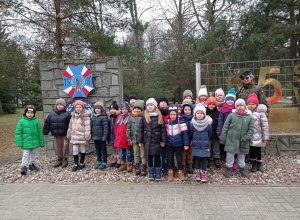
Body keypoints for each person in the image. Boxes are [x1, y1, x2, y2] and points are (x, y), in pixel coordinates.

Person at [220, 99, 254, 178]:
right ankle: (229, 168)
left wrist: (246, 138)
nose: (239, 107)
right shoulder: (231, 115)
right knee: (230, 155)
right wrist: (223, 138)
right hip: (231, 139)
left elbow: (251, 129)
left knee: (241, 156)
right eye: (237, 106)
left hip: (243, 140)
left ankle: (242, 169)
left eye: (241, 105)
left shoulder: (249, 117)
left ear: (245, 106)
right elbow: (225, 127)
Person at [137, 98, 167, 181]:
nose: (149, 107)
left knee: (157, 156)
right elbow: (140, 129)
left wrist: (163, 140)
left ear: (155, 106)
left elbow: (163, 129)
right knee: (149, 156)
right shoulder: (144, 116)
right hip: (147, 140)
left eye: (151, 105)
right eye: (148, 105)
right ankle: (150, 172)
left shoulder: (159, 116)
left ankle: (158, 172)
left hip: (157, 140)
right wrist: (140, 141)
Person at [15, 105, 45, 175]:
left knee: (34, 154)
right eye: (28, 112)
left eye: (32, 113)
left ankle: (32, 164)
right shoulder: (21, 122)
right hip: (26, 143)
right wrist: (19, 143)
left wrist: (41, 142)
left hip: (35, 142)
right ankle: (23, 166)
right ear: (25, 113)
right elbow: (18, 133)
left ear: (34, 113)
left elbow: (40, 132)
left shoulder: (36, 122)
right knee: (26, 154)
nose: (30, 114)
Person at [43, 98, 71, 168]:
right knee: (57, 147)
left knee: (65, 146)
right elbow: (47, 124)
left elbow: (71, 124)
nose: (59, 106)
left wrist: (71, 133)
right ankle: (59, 158)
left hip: (65, 134)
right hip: (56, 134)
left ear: (64, 106)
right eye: (58, 104)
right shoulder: (51, 114)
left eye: (61, 104)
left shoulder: (67, 114)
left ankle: (65, 159)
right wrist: (45, 132)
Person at [165, 104, 190, 180]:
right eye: (171, 114)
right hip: (169, 144)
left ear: (177, 114)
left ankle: (180, 171)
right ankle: (170, 171)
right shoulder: (167, 122)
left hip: (179, 144)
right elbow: (164, 133)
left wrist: (186, 144)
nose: (172, 116)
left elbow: (185, 134)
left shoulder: (181, 122)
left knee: (179, 159)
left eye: (174, 114)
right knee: (169, 158)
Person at [67, 100, 91, 172]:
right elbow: (70, 126)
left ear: (82, 108)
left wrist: (87, 135)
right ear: (75, 108)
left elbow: (87, 127)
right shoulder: (73, 116)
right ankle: (76, 163)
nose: (78, 108)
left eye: (80, 107)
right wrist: (68, 133)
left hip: (82, 136)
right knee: (75, 149)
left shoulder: (86, 116)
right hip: (74, 135)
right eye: (77, 107)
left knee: (82, 149)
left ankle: (82, 162)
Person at [247, 94, 269, 172]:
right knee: (251, 151)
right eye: (249, 104)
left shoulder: (261, 114)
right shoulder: (246, 113)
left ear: (256, 105)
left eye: (253, 104)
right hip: (250, 136)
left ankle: (259, 164)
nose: (251, 106)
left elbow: (265, 126)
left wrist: (265, 137)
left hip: (258, 136)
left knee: (258, 151)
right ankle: (253, 164)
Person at [190, 106, 212, 182]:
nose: (199, 115)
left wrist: (205, 141)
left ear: (204, 114)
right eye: (198, 113)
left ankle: (203, 173)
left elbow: (210, 135)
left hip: (204, 145)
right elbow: (191, 134)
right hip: (196, 145)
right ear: (195, 114)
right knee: (197, 160)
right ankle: (198, 172)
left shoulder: (208, 125)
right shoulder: (192, 124)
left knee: (204, 160)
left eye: (201, 113)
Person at [126, 100, 147, 176]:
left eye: (139, 109)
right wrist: (129, 139)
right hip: (134, 139)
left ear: (141, 110)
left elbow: (145, 129)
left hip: (142, 140)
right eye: (135, 108)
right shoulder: (131, 118)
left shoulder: (143, 117)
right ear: (133, 109)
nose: (137, 110)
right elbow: (128, 129)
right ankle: (137, 167)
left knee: (143, 154)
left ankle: (144, 167)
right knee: (136, 154)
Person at [217, 89, 236, 162]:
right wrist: (219, 132)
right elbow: (220, 121)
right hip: (224, 130)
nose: (230, 101)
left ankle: (233, 158)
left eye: (231, 100)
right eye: (228, 100)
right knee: (224, 143)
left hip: (233, 130)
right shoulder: (222, 110)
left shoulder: (235, 109)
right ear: (226, 100)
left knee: (232, 144)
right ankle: (223, 155)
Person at [114, 101, 133, 172]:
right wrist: (116, 135)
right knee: (122, 153)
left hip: (127, 139)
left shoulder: (130, 117)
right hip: (120, 138)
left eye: (125, 109)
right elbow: (116, 127)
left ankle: (129, 164)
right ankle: (123, 163)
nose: (124, 110)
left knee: (128, 153)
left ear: (128, 109)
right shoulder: (119, 117)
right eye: (122, 109)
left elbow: (132, 128)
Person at [91, 101, 108, 170]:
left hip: (101, 137)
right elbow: (91, 126)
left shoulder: (104, 117)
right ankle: (99, 161)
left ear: (101, 109)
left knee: (103, 149)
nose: (97, 110)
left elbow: (106, 128)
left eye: (99, 108)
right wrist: (92, 135)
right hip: (95, 136)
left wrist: (104, 136)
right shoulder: (93, 116)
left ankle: (104, 162)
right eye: (96, 108)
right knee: (97, 149)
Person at [206, 97, 221, 168]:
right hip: (208, 134)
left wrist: (219, 132)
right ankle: (207, 158)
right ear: (207, 105)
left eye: (213, 104)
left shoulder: (218, 113)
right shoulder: (205, 113)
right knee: (208, 146)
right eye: (210, 104)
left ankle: (216, 158)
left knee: (216, 147)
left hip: (216, 133)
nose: (211, 106)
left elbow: (220, 123)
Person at [181, 100, 194, 174]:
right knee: (183, 154)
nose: (187, 111)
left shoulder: (193, 119)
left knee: (190, 153)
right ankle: (183, 166)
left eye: (189, 109)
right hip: (183, 139)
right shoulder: (181, 119)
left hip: (191, 139)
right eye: (185, 109)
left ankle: (189, 165)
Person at [157, 96, 169, 174]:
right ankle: (157, 166)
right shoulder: (156, 112)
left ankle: (164, 165)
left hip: (167, 135)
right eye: (161, 101)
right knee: (157, 151)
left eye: (165, 101)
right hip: (158, 135)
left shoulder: (169, 113)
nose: (163, 103)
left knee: (165, 152)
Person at [107, 101, 121, 168]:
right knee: (113, 148)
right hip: (111, 135)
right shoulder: (109, 117)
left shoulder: (118, 117)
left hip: (117, 135)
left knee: (118, 148)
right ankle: (114, 160)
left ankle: (119, 160)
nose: (112, 111)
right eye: (111, 109)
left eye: (114, 109)